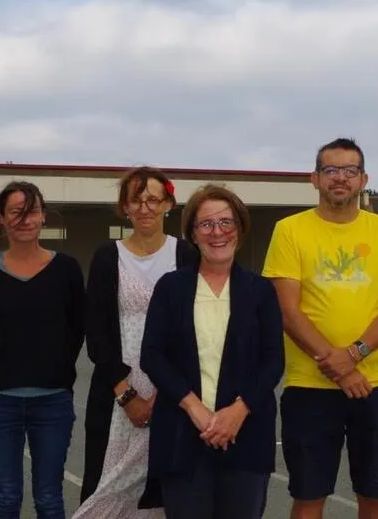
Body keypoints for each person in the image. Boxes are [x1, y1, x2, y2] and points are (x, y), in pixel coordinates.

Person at [262, 137, 378, 519]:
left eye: (350, 170)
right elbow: (287, 311)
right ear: (315, 178)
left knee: (376, 497)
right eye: (331, 170)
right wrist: (340, 368)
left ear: (364, 179)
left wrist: (353, 355)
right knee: (308, 498)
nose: (340, 178)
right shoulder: (289, 230)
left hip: (377, 385)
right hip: (309, 389)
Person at [140, 184, 284, 519]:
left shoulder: (260, 291)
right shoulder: (171, 288)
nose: (217, 232)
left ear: (239, 228)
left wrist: (238, 411)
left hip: (246, 436)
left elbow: (273, 360)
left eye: (226, 222)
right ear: (192, 233)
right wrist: (196, 409)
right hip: (183, 436)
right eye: (206, 224)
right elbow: (153, 355)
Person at [76, 167, 199, 518]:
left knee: (167, 491)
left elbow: (194, 330)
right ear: (125, 207)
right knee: (106, 485)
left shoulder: (187, 255)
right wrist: (127, 396)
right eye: (136, 200)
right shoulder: (107, 257)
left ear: (168, 204)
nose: (145, 208)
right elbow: (97, 331)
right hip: (118, 389)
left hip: (174, 390)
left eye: (153, 200)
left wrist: (167, 393)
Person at [0, 180, 85, 519]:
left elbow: (76, 330)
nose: (24, 220)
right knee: (5, 497)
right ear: (1, 219)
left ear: (43, 216)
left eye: (32, 211)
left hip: (53, 401)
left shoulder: (66, 269)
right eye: (16, 212)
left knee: (49, 498)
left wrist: (54, 371)